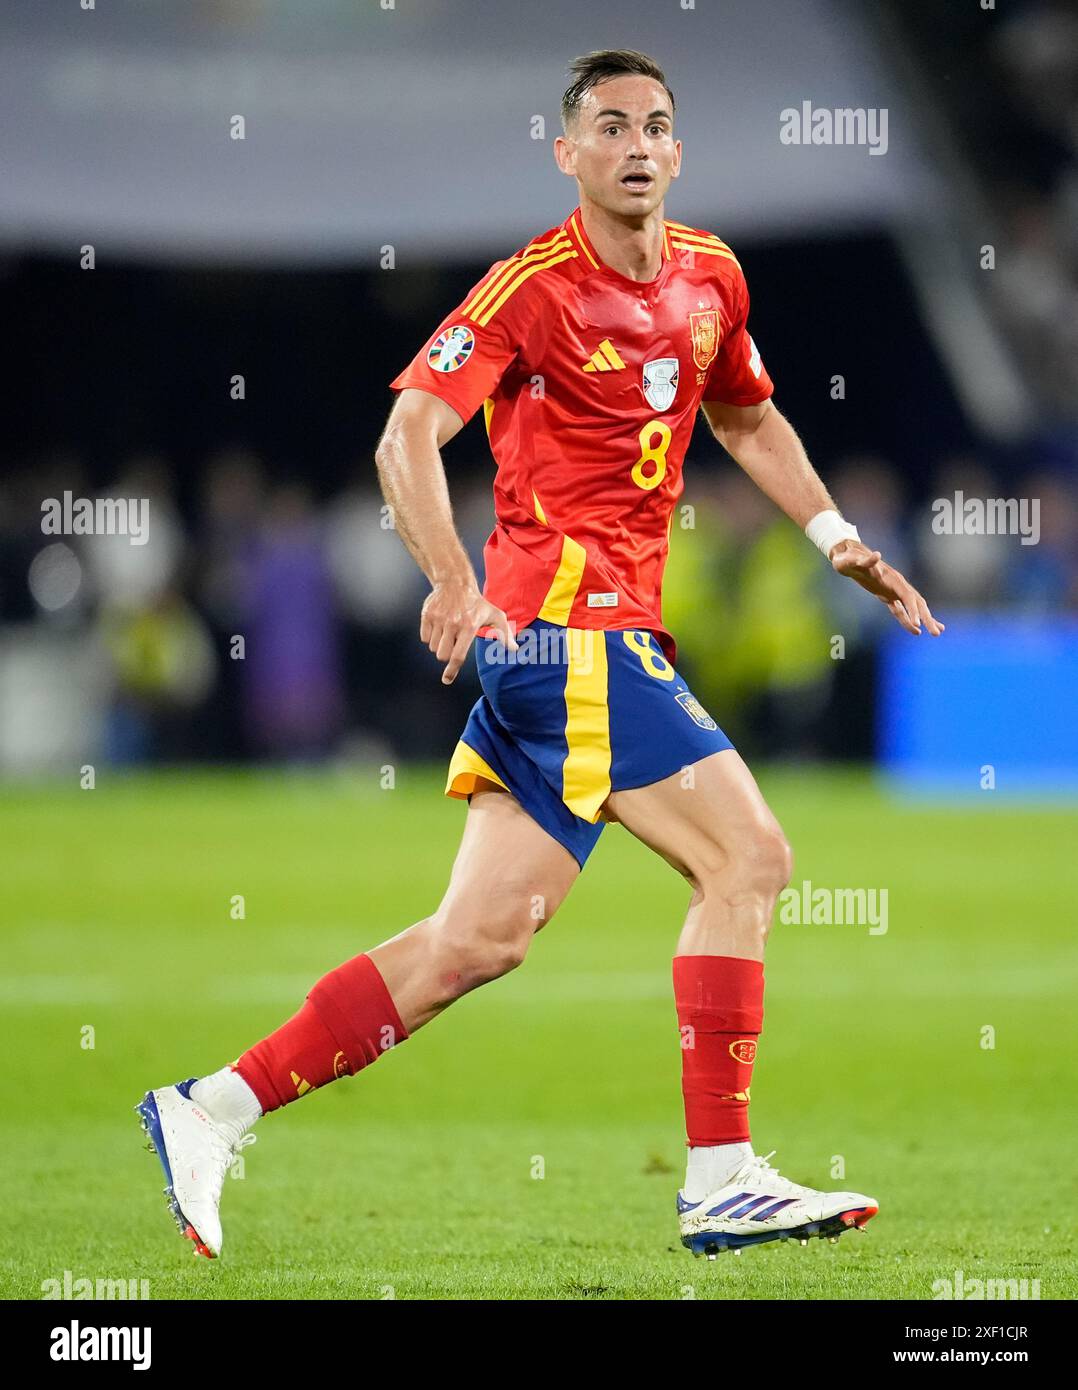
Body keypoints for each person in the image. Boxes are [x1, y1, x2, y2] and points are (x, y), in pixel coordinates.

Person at [137, 49, 943, 1262]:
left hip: (581, 651)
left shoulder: (710, 276)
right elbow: (407, 429)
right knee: (750, 858)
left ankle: (210, 1107)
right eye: (608, 125)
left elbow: (743, 411)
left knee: (477, 941)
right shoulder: (530, 289)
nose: (635, 144)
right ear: (567, 154)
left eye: (656, 125)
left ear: (677, 151)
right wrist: (452, 578)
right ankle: (721, 1174)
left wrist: (835, 536)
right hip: (566, 636)